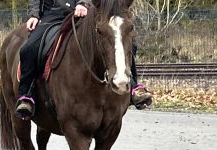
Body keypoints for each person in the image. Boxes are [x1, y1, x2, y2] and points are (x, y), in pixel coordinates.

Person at [15, 0, 152, 119]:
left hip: (85, 14)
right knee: (29, 49)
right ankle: (26, 94)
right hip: (51, 16)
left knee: (126, 42)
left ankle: (134, 86)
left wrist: (83, 3)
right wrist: (34, 14)